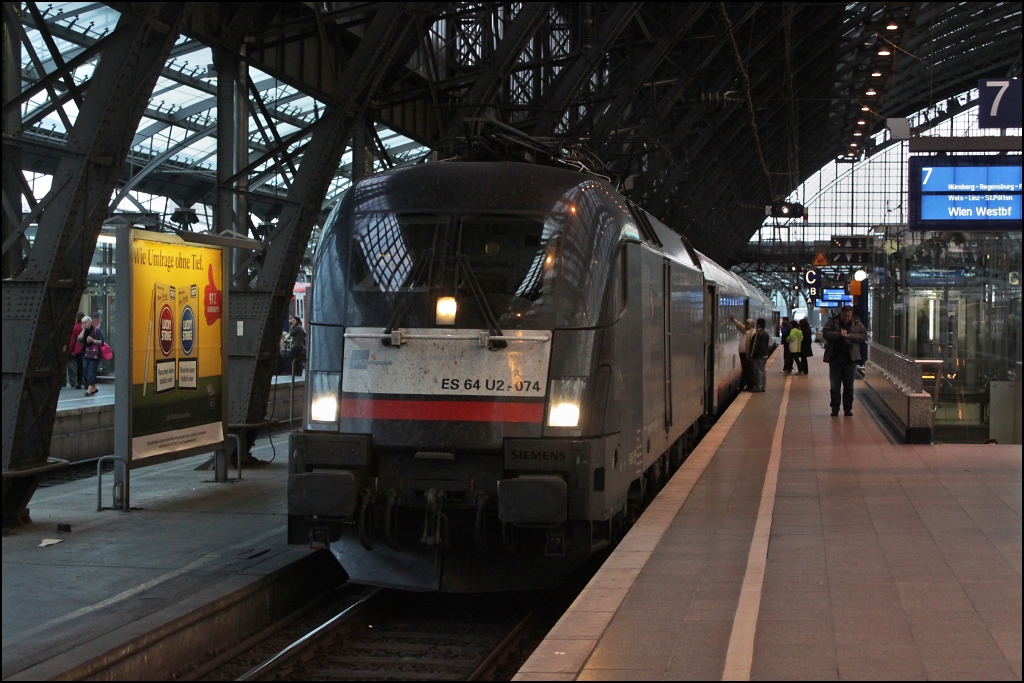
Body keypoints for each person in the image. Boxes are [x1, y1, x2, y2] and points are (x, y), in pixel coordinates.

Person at [822, 305, 867, 416]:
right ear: (841, 314)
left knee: (849, 386)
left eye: (849, 316)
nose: (847, 318)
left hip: (850, 359)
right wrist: (839, 334)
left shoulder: (857, 323)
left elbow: (863, 336)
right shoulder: (832, 322)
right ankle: (835, 408)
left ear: (852, 315)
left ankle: (848, 409)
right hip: (835, 359)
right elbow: (825, 334)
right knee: (835, 386)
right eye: (845, 315)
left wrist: (850, 336)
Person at [78, 316, 105, 396]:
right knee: (86, 370)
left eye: (85, 323)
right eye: (83, 323)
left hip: (95, 355)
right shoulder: (84, 331)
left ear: (90, 322)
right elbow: (79, 339)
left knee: (91, 371)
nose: (84, 325)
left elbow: (102, 342)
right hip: (85, 354)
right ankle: (94, 388)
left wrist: (93, 340)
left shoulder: (96, 331)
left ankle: (89, 389)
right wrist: (83, 331)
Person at [729, 314, 755, 391]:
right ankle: (747, 384)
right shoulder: (746, 331)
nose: (746, 325)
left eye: (748, 324)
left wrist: (751, 355)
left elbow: (753, 345)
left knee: (748, 370)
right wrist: (734, 320)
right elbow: (740, 326)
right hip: (743, 354)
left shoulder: (753, 333)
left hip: (747, 354)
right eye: (746, 323)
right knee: (745, 369)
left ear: (751, 325)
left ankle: (750, 385)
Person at [747, 318, 771, 392]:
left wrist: (751, 355)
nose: (756, 325)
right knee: (762, 370)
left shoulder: (758, 333)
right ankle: (763, 386)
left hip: (759, 355)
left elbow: (754, 346)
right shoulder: (765, 333)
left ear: (759, 324)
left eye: (757, 323)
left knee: (758, 371)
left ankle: (758, 387)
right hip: (764, 355)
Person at [67, 312, 85, 389]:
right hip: (86, 349)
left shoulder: (76, 327)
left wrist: (71, 349)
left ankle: (79, 383)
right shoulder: (86, 326)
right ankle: (86, 383)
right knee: (86, 366)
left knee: (79, 367)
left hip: (77, 349)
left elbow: (73, 339)